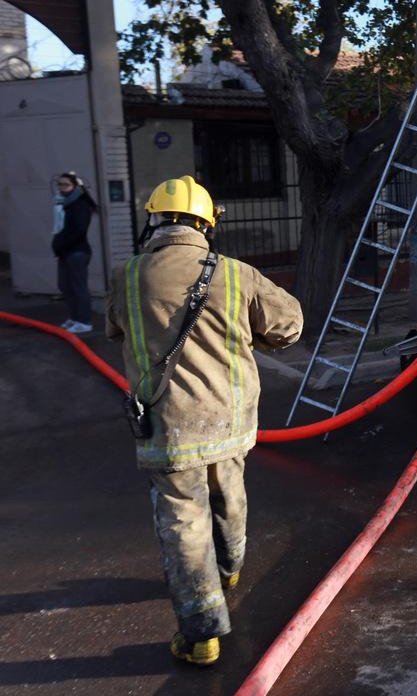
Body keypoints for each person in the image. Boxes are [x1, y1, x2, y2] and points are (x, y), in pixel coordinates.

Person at [105, 175, 303, 666]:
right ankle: (229, 570)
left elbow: (115, 329)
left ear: (153, 220)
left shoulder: (127, 275)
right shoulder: (237, 274)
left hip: (168, 426)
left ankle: (201, 635)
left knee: (183, 522)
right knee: (229, 496)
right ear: (207, 224)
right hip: (229, 421)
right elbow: (289, 326)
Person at [52, 172, 97, 333]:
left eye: (66, 184)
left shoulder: (80, 204)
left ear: (75, 186)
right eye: (60, 184)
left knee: (78, 287)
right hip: (64, 252)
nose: (62, 188)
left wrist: (61, 244)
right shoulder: (62, 204)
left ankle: (84, 321)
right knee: (65, 286)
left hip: (77, 252)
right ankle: (74, 318)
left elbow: (79, 230)